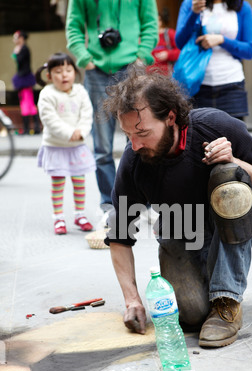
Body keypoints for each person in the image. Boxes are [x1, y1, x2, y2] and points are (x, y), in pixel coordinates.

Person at [102, 64, 252, 348]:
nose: (135, 145)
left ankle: (227, 301)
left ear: (171, 118)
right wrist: (132, 300)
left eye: (143, 133)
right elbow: (119, 236)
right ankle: (209, 296)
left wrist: (236, 161)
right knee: (192, 316)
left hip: (227, 223)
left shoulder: (215, 126)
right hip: (182, 229)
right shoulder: (134, 161)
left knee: (228, 175)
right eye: (128, 136)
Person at [65, 0, 158, 225]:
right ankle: (108, 203)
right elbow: (73, 27)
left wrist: (142, 56)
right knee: (102, 147)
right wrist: (84, 58)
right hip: (95, 72)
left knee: (141, 139)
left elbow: (150, 23)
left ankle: (143, 201)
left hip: (131, 68)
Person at [35, 52, 95, 235]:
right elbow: (50, 120)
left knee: (79, 181)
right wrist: (70, 133)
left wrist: (82, 132)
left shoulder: (81, 91)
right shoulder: (47, 94)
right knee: (58, 182)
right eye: (58, 71)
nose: (64, 75)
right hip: (56, 146)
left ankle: (80, 214)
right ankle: (58, 217)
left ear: (75, 73)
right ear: (49, 75)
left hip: (76, 146)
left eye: (68, 70)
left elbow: (87, 114)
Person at [175, 0, 252, 119]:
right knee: (200, 135)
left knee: (233, 136)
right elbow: (180, 42)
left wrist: (222, 40)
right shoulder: (190, 4)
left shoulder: (241, 6)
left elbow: (249, 50)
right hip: (198, 85)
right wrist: (193, 13)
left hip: (231, 85)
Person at [11, 30, 40, 135]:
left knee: (28, 104)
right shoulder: (20, 49)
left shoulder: (24, 49)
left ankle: (33, 127)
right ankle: (28, 128)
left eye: (16, 37)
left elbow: (21, 62)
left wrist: (17, 53)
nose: (14, 40)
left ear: (21, 38)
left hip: (25, 78)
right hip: (22, 78)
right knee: (25, 103)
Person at [149, 8, 180, 76]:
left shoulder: (169, 34)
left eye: (156, 20)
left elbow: (180, 51)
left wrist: (168, 54)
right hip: (149, 76)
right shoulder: (146, 37)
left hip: (167, 75)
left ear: (160, 21)